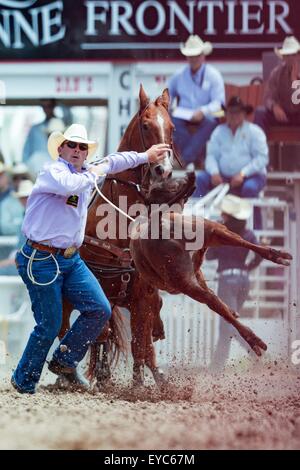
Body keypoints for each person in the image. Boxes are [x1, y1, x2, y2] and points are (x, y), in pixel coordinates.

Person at [11, 123, 171, 394]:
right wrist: (99, 169)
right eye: (71, 145)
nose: (76, 150)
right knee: (49, 324)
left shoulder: (87, 171)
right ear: (60, 148)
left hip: (70, 260)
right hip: (40, 258)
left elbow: (116, 160)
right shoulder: (53, 172)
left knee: (100, 309)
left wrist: (146, 156)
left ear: (85, 152)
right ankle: (23, 379)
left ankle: (64, 360)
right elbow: (72, 184)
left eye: (81, 146)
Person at [194, 96, 269, 228]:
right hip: (223, 177)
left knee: (250, 188)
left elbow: (262, 158)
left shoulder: (255, 132)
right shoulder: (218, 132)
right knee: (199, 179)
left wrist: (243, 174)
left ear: (244, 114)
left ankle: (255, 231)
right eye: (231, 112)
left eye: (238, 112)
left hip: (251, 177)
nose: (234, 115)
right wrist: (214, 172)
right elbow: (211, 155)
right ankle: (197, 224)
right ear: (226, 114)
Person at [207, 195, 262, 372]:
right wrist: (248, 266)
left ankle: (252, 351)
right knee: (230, 324)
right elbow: (259, 254)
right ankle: (218, 367)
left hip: (226, 280)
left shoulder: (222, 234)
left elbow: (209, 256)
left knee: (228, 325)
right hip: (244, 280)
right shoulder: (248, 234)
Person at [168, 35, 225, 168]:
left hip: (207, 114)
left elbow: (219, 102)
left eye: (196, 55)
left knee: (212, 121)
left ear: (203, 56)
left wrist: (203, 111)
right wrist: (167, 107)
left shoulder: (213, 75)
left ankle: (185, 159)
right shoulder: (179, 75)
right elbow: (168, 95)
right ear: (187, 57)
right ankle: (196, 158)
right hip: (184, 114)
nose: (193, 59)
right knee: (170, 120)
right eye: (190, 56)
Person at [255, 36, 300, 132]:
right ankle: (259, 145)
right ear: (283, 57)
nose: (290, 58)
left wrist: (294, 80)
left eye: (293, 55)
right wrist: (274, 106)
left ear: (298, 55)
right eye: (287, 55)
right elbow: (268, 97)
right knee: (260, 112)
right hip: (283, 114)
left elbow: (297, 102)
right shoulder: (277, 73)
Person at [0, 179, 33, 275]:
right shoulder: (26, 217)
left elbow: (26, 254)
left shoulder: (32, 219)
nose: (25, 200)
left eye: (27, 197)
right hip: (25, 262)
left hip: (28, 263)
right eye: (23, 197)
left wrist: (4, 263)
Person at [22, 99, 61, 164]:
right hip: (38, 168)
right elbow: (26, 154)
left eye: (49, 106)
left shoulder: (62, 126)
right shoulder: (35, 129)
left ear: (54, 106)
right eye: (44, 106)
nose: (46, 109)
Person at [0, 162, 24, 260]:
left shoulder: (15, 199)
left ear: (5, 176)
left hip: (13, 248)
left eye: (1, 175)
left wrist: (21, 225)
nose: (19, 181)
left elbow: (5, 227)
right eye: (16, 178)